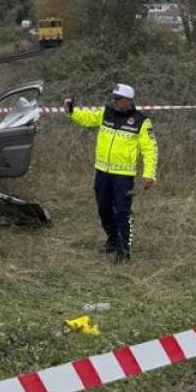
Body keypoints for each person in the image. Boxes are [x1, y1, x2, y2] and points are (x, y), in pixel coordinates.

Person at [64, 84, 157, 263]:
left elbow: (150, 149)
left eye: (118, 99)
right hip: (102, 172)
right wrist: (71, 111)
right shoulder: (106, 113)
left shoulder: (142, 122)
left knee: (123, 212)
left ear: (128, 101)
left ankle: (124, 252)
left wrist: (149, 174)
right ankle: (113, 240)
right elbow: (86, 118)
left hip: (124, 176)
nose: (114, 101)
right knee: (103, 209)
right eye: (114, 98)